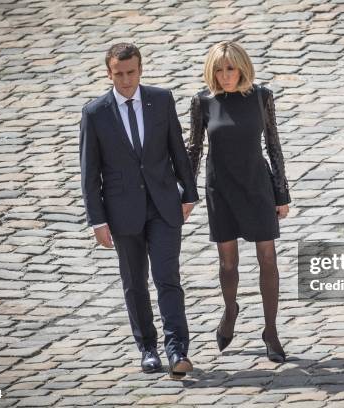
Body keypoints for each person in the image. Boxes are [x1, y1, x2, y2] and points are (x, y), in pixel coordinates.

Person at [79, 43, 198, 379]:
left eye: (131, 72)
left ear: (140, 69)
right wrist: (97, 220)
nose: (126, 80)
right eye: (119, 74)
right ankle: (147, 348)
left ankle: (177, 350)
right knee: (134, 283)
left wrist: (189, 193)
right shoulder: (95, 113)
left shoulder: (161, 100)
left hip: (164, 205)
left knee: (167, 279)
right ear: (109, 73)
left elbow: (178, 147)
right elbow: (90, 173)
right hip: (121, 213)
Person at [187, 41, 291, 363]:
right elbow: (194, 149)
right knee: (228, 263)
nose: (225, 75)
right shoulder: (203, 102)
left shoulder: (261, 96)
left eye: (230, 68)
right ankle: (230, 310)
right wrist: (187, 195)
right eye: (219, 69)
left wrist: (281, 193)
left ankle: (270, 332)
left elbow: (273, 143)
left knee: (268, 259)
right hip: (221, 188)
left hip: (257, 187)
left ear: (242, 67)